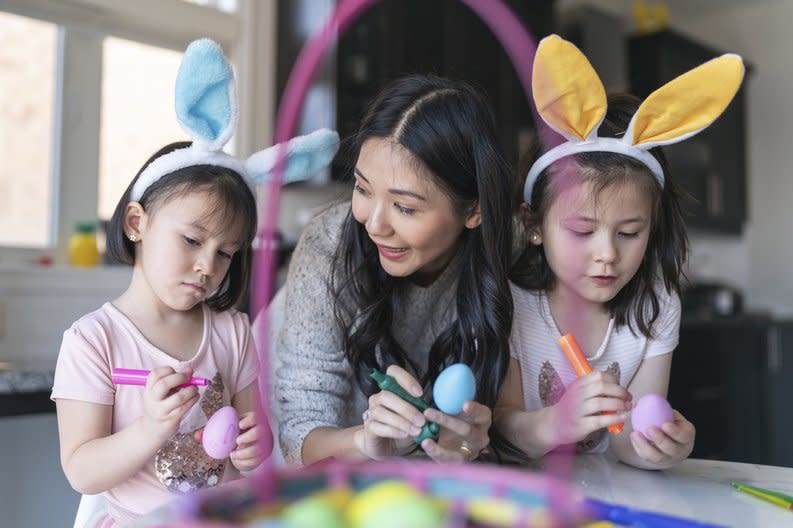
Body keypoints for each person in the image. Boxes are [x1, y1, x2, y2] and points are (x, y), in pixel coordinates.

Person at [495, 35, 744, 469]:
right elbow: (503, 430)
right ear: (534, 225)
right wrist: (556, 424)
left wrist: (661, 448)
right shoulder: (511, 302)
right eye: (581, 231)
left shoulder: (657, 304)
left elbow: (627, 441)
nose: (607, 254)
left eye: (629, 233)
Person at [51, 39, 271, 526]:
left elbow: (244, 450)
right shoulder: (95, 341)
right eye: (192, 240)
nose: (207, 266)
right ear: (137, 222)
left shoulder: (233, 333)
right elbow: (82, 470)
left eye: (227, 254)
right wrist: (152, 426)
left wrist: (256, 448)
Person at [275, 74, 520, 465]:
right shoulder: (329, 244)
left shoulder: (512, 250)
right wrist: (365, 442)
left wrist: (475, 443)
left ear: (474, 210)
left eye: (404, 207)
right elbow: (297, 437)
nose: (373, 224)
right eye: (362, 188)